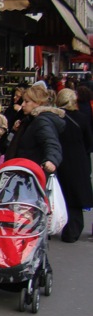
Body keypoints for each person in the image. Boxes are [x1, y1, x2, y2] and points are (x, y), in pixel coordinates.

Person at [54, 89, 93, 242]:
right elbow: (89, 142)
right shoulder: (82, 118)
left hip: (59, 160)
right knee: (75, 196)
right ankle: (73, 230)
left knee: (60, 193)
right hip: (78, 161)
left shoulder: (54, 118)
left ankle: (60, 226)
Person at [5, 83, 64, 174]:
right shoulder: (30, 119)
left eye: (27, 101)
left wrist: (51, 160)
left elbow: (51, 142)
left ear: (38, 103)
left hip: (32, 174)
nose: (23, 105)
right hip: (25, 171)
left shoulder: (41, 121)